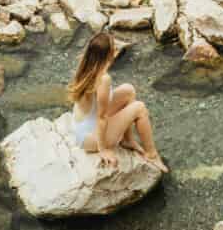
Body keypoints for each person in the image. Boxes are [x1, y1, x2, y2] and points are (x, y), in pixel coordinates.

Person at [68, 31, 168, 173]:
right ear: (109, 54)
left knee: (129, 90)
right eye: (114, 47)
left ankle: (128, 140)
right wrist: (103, 149)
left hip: (83, 127)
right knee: (139, 108)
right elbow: (102, 118)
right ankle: (152, 154)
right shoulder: (103, 79)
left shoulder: (85, 67)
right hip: (89, 137)